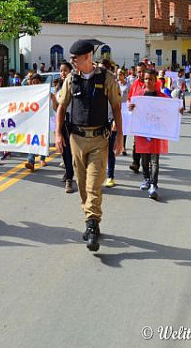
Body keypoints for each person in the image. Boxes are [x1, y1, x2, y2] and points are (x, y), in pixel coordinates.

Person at [55, 40, 123, 252]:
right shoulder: (70, 80)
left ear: (87, 57)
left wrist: (120, 135)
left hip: (99, 140)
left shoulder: (107, 78)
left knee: (94, 184)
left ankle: (92, 224)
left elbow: (117, 107)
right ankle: (90, 217)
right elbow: (61, 107)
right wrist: (58, 133)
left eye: (75, 58)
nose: (72, 61)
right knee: (83, 184)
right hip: (76, 139)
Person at [128, 70, 173, 200]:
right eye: (146, 79)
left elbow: (171, 108)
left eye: (150, 79)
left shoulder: (162, 96)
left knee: (154, 160)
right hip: (143, 132)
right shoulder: (139, 95)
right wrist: (131, 108)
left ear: (155, 80)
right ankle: (146, 178)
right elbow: (130, 109)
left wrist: (178, 109)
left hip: (156, 132)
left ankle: (154, 185)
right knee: (145, 158)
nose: (148, 81)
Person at [24, 74, 54, 170]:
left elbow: (52, 103)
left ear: (41, 83)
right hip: (33, 120)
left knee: (43, 139)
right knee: (33, 140)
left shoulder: (46, 92)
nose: (35, 84)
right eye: (33, 82)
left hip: (43, 120)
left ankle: (42, 158)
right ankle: (31, 161)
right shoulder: (29, 93)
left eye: (37, 82)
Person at [56, 61, 75, 194]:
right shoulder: (58, 87)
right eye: (61, 70)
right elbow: (56, 108)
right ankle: (68, 172)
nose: (63, 73)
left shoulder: (74, 85)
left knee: (71, 151)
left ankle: (69, 178)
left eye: (65, 70)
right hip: (61, 122)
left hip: (72, 121)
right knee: (63, 150)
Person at [116, 69, 130, 156]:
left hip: (125, 106)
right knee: (116, 127)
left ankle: (123, 146)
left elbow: (130, 96)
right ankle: (117, 145)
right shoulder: (115, 84)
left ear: (124, 75)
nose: (119, 76)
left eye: (121, 74)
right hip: (117, 106)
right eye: (118, 74)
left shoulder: (128, 85)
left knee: (124, 128)